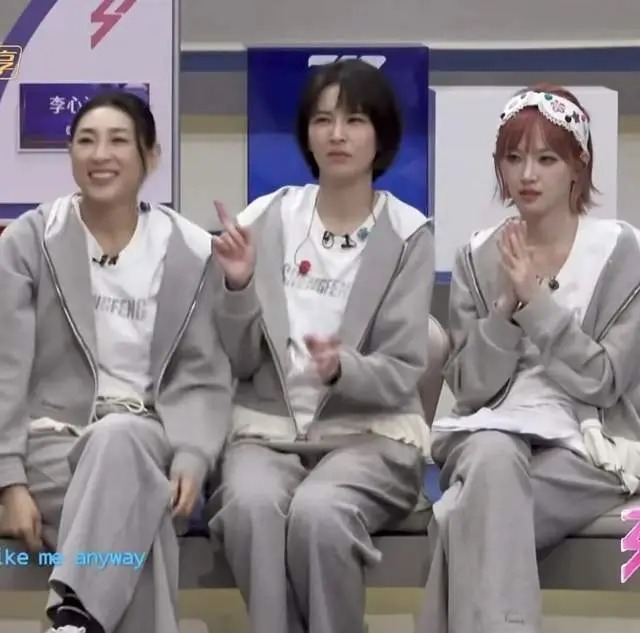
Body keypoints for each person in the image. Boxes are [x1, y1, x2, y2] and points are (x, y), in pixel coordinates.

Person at [206, 59, 435, 633]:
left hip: (371, 437)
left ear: (380, 134)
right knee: (250, 506)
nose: (337, 134)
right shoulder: (265, 218)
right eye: (323, 119)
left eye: (355, 120)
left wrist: (342, 370)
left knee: (320, 512)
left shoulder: (408, 234)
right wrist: (237, 287)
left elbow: (404, 368)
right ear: (306, 133)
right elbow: (237, 359)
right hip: (266, 433)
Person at [0, 91, 233, 633]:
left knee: (121, 440)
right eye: (86, 140)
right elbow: (6, 366)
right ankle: (79, 619)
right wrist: (8, 481)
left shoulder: (189, 250)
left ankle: (75, 616)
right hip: (50, 449)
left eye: (118, 141)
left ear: (151, 156)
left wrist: (194, 454)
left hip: (151, 439)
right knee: (141, 523)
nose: (100, 154)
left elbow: (202, 374)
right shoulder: (32, 239)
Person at [416, 84, 640, 633]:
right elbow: (471, 389)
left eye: (546, 159)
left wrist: (539, 305)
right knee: (492, 456)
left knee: (462, 520)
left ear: (578, 166)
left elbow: (605, 381)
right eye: (513, 158)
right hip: (490, 432)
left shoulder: (623, 253)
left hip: (588, 446)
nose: (527, 175)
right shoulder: (476, 256)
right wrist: (504, 310)